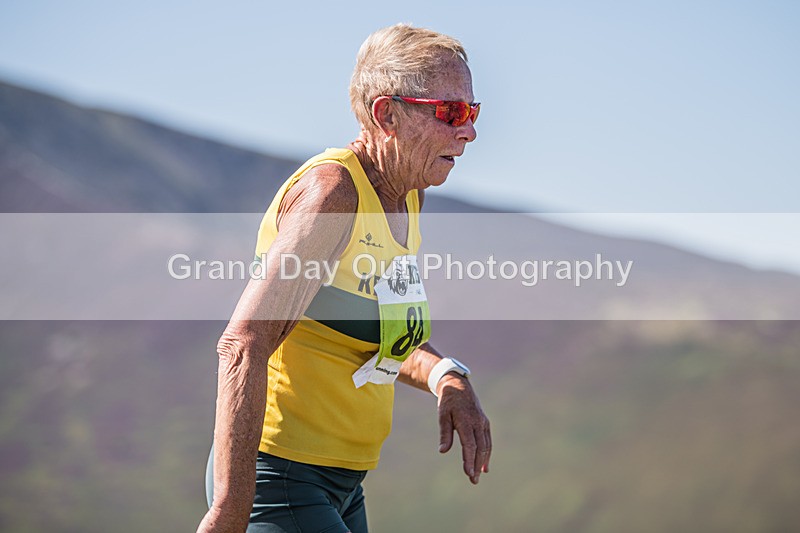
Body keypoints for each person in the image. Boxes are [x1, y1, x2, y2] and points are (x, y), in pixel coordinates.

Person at [197, 23, 491, 533]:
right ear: (387, 114)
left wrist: (447, 376)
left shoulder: (408, 195)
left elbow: (383, 332)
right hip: (280, 477)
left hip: (344, 483)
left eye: (473, 111)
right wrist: (227, 511)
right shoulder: (334, 194)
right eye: (452, 112)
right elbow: (244, 342)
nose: (469, 131)